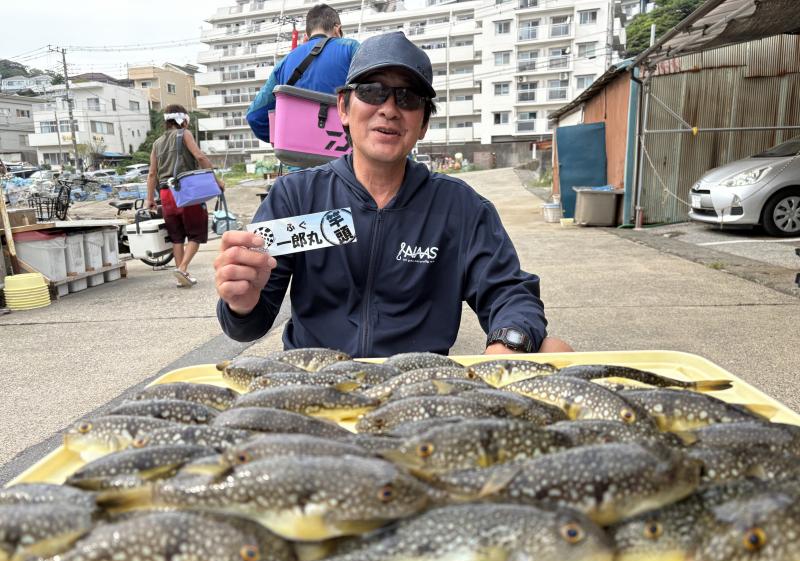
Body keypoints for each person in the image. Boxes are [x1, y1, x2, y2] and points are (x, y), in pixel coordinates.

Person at [215, 31, 571, 357]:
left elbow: (510, 293)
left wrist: (509, 340)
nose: (388, 108)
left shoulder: (461, 208)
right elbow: (250, 323)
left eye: (408, 98)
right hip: (316, 382)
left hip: (416, 390)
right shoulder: (295, 197)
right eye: (371, 90)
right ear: (342, 107)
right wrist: (241, 302)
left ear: (424, 124)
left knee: (554, 350)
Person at [246, 4, 360, 143]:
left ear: (306, 35)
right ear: (338, 29)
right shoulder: (350, 48)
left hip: (298, 159)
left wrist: (285, 138)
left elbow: (255, 117)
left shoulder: (284, 62)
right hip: (344, 156)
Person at [146, 104, 224, 288]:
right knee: (196, 234)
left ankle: (182, 275)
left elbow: (151, 174)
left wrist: (150, 199)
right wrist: (215, 181)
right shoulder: (184, 134)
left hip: (165, 194)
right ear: (183, 120)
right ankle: (182, 268)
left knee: (177, 237)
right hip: (186, 191)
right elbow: (200, 157)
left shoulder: (157, 143)